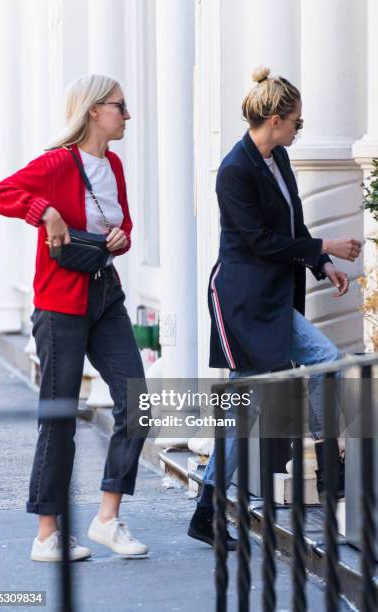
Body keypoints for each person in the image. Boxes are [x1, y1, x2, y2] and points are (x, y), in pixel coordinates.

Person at [188, 66, 361, 549]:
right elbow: (260, 241)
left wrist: (322, 263)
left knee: (327, 362)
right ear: (274, 118)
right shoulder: (235, 169)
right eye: (296, 123)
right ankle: (208, 510)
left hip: (272, 300)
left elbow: (293, 229)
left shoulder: (277, 159)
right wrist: (325, 243)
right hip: (241, 301)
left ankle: (331, 469)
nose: (298, 131)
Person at [0, 74, 149, 561]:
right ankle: (46, 535)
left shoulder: (113, 165)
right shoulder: (58, 163)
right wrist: (45, 210)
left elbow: (122, 225)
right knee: (59, 417)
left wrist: (121, 239)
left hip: (106, 297)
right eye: (120, 106)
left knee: (137, 402)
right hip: (60, 303)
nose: (127, 115)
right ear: (95, 110)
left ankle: (106, 518)